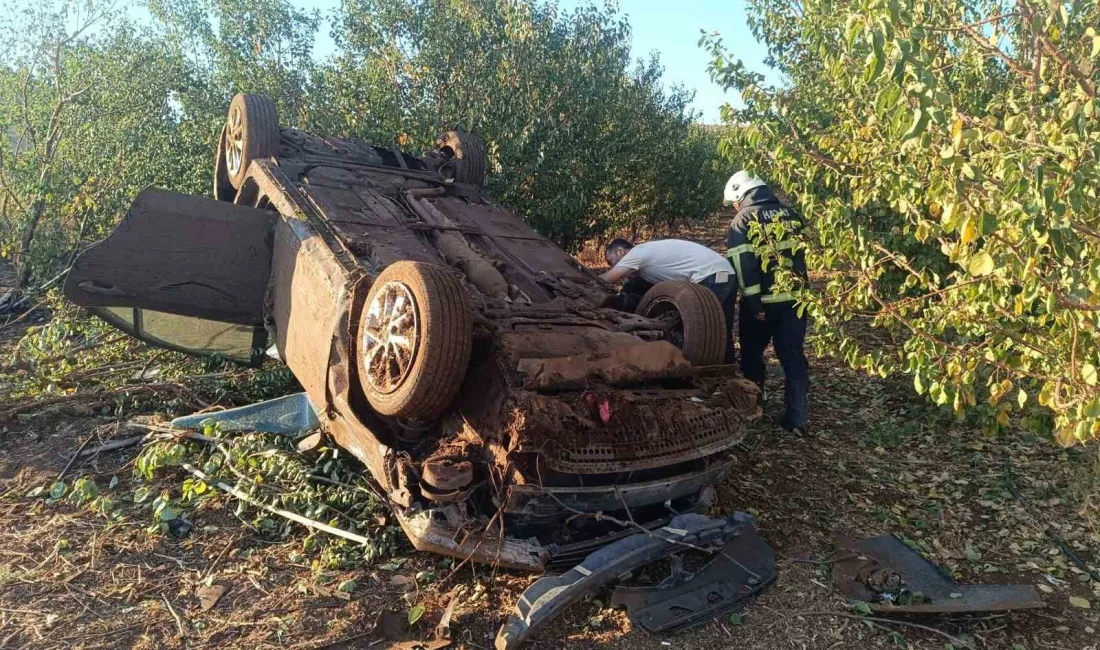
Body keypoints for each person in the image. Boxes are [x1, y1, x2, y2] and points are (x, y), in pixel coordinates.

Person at [723, 170, 810, 433]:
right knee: (792, 355)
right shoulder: (792, 215)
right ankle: (798, 418)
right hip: (796, 302)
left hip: (763, 304)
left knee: (751, 353)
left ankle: (753, 409)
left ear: (742, 194)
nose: (734, 208)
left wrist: (753, 304)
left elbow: (743, 263)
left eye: (734, 202)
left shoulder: (743, 219)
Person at [601, 238, 736, 363]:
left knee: (707, 332)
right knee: (722, 329)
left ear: (620, 251)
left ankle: (714, 374)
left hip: (713, 275)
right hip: (722, 273)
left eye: (611, 261)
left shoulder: (637, 253)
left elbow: (609, 278)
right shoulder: (648, 261)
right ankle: (729, 371)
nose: (611, 266)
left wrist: (587, 283)